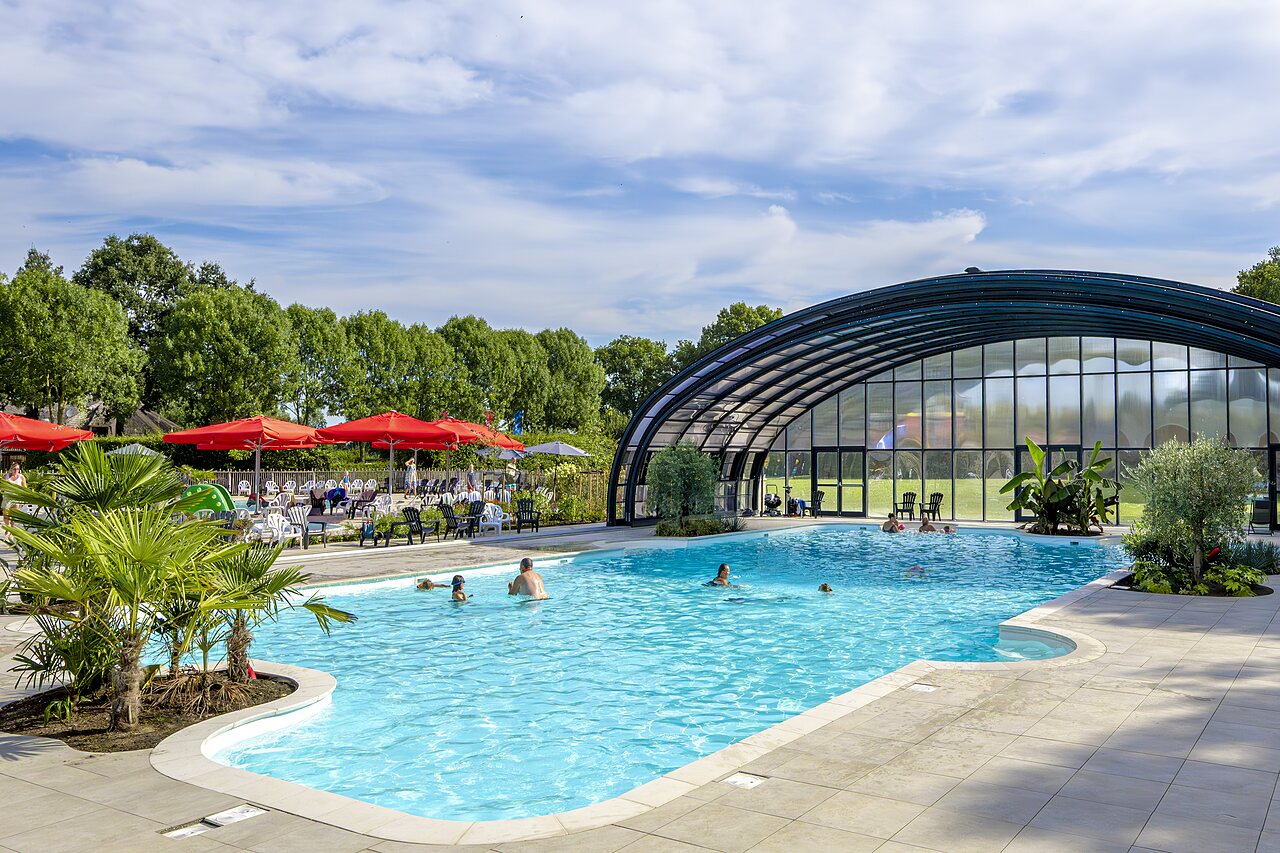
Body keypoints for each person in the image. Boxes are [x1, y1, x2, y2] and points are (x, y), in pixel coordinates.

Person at [2, 462, 24, 527]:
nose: (16, 470)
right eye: (14, 469)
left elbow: (25, 488)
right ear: (11, 469)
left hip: (16, 499)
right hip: (7, 498)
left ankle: (11, 530)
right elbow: (1, 486)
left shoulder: (21, 477)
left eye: (18, 469)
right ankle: (8, 526)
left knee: (14, 516)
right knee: (5, 514)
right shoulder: (6, 476)